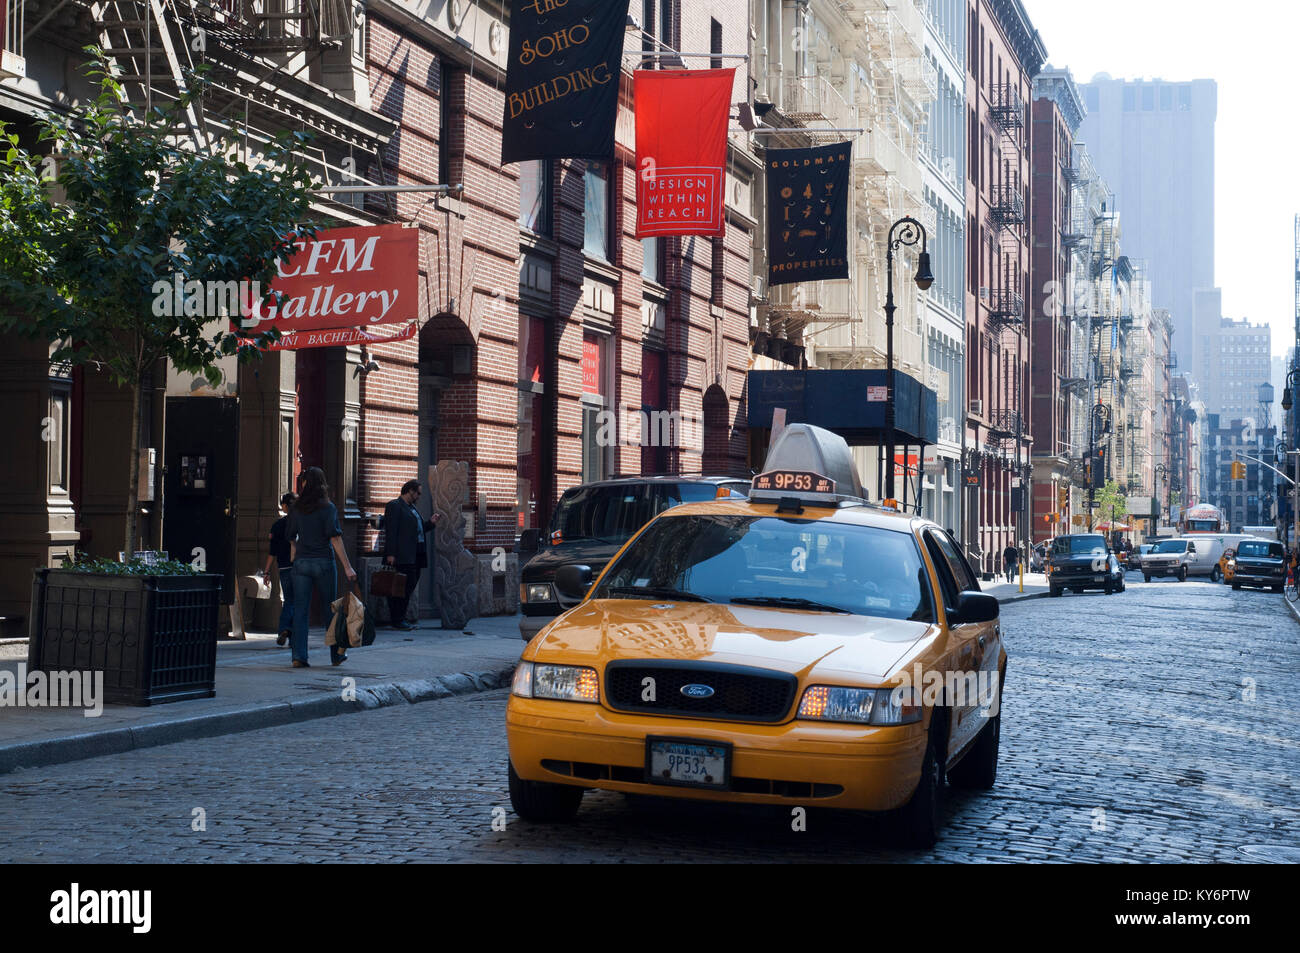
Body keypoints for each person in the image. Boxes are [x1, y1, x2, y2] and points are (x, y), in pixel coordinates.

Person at [287, 467, 357, 668]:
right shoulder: (328, 508)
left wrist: (294, 551)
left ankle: (299, 656)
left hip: (301, 563)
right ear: (322, 483)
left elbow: (290, 534)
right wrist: (347, 567)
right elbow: (335, 538)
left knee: (300, 609)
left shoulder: (296, 508)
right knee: (331, 610)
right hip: (324, 562)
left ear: (305, 484)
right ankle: (336, 655)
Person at [382, 480, 440, 631]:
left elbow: (417, 530)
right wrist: (391, 553)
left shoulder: (412, 508)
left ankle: (400, 618)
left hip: (417, 554)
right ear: (410, 491)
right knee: (401, 588)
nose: (419, 496)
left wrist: (430, 523)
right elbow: (391, 531)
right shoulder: (394, 506)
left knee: (409, 587)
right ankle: (398, 619)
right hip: (402, 556)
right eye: (418, 493)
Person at [259, 492, 296, 647]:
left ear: (285, 506)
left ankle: (285, 631)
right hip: (299, 567)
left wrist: (266, 572)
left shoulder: (277, 525)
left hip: (284, 567)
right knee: (298, 602)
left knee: (289, 600)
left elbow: (272, 553)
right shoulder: (300, 523)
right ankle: (290, 632)